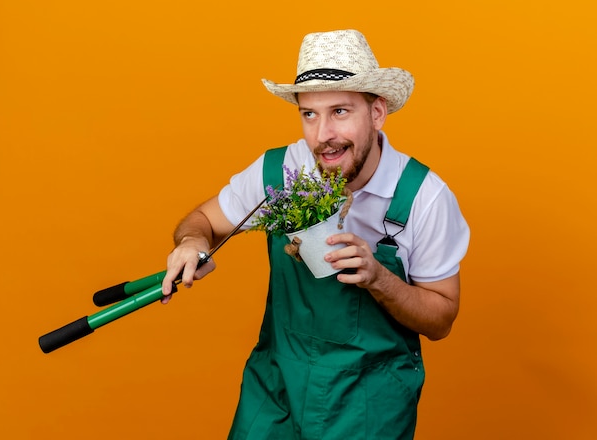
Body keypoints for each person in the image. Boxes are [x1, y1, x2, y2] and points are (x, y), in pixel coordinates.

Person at [161, 29, 470, 440]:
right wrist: (192, 242)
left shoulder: (422, 198)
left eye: (340, 111)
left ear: (377, 113)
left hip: (369, 404)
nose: (322, 134)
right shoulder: (280, 172)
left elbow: (441, 319)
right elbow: (203, 219)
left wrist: (379, 278)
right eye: (309, 114)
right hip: (277, 392)